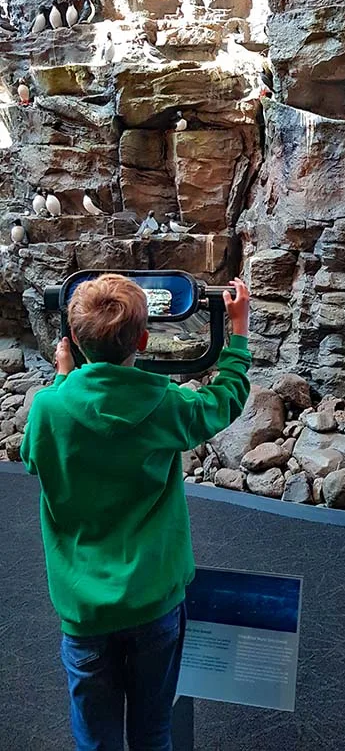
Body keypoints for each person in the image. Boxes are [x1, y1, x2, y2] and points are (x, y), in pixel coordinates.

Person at [20, 273, 251, 751]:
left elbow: (33, 456)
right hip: (153, 602)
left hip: (84, 611)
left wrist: (63, 378)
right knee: (152, 733)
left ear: (74, 339)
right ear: (144, 339)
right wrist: (239, 333)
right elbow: (225, 399)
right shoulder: (166, 404)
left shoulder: (48, 409)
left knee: (95, 739)